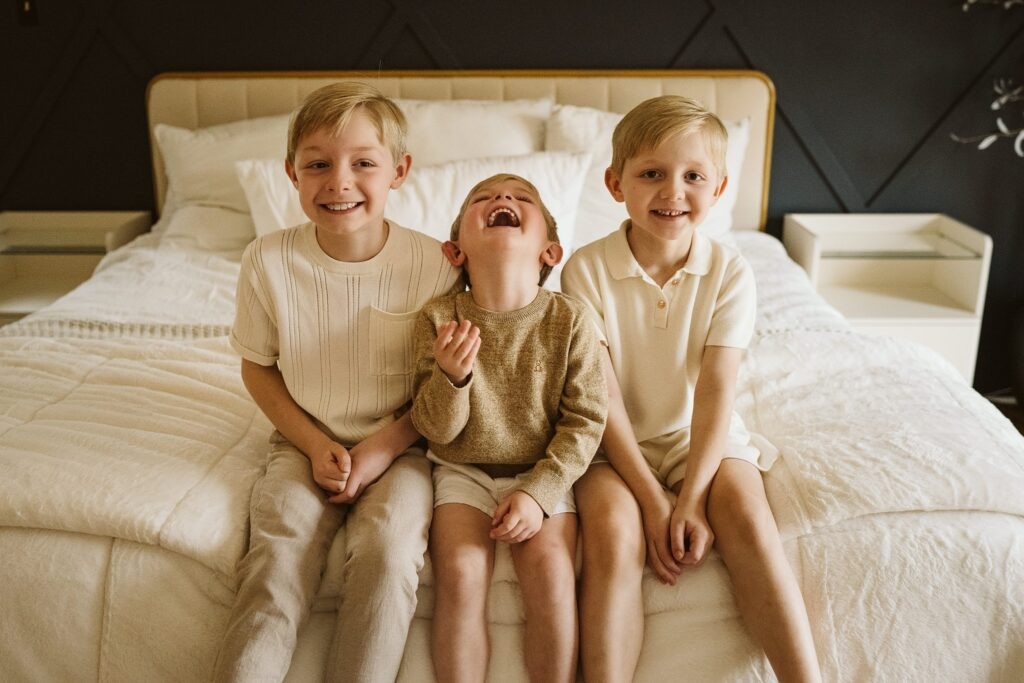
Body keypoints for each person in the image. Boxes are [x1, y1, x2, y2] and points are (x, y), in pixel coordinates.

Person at [561, 95, 822, 683]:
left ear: (720, 188)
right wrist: (653, 501)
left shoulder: (731, 273)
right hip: (610, 444)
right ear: (615, 184)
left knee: (749, 522)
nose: (672, 192)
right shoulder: (585, 269)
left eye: (693, 176)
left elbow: (716, 391)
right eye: (651, 174)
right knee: (613, 539)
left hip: (698, 438)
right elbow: (600, 396)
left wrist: (692, 498)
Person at [215, 82, 460, 683]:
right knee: (276, 557)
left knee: (389, 553)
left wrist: (383, 448)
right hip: (302, 439)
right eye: (318, 164)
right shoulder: (266, 260)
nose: (339, 182)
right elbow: (258, 365)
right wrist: (312, 442)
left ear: (399, 171)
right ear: (291, 174)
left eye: (364, 163)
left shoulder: (435, 265)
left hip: (403, 444)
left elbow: (442, 385)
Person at [410, 173, 607, 683]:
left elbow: (586, 421)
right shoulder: (439, 318)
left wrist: (538, 494)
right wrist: (453, 379)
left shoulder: (570, 319)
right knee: (461, 574)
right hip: (462, 470)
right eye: (484, 198)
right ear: (455, 251)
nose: (502, 199)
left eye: (522, 199)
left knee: (551, 573)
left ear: (550, 251)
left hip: (543, 470)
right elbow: (433, 429)